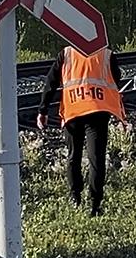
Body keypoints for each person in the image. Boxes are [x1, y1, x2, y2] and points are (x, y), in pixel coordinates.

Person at [35, 44, 127, 214]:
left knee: (73, 156)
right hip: (98, 111)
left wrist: (43, 110)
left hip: (73, 111)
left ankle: (74, 198)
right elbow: (117, 78)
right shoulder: (106, 54)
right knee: (96, 158)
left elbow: (51, 82)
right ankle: (94, 204)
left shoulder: (66, 53)